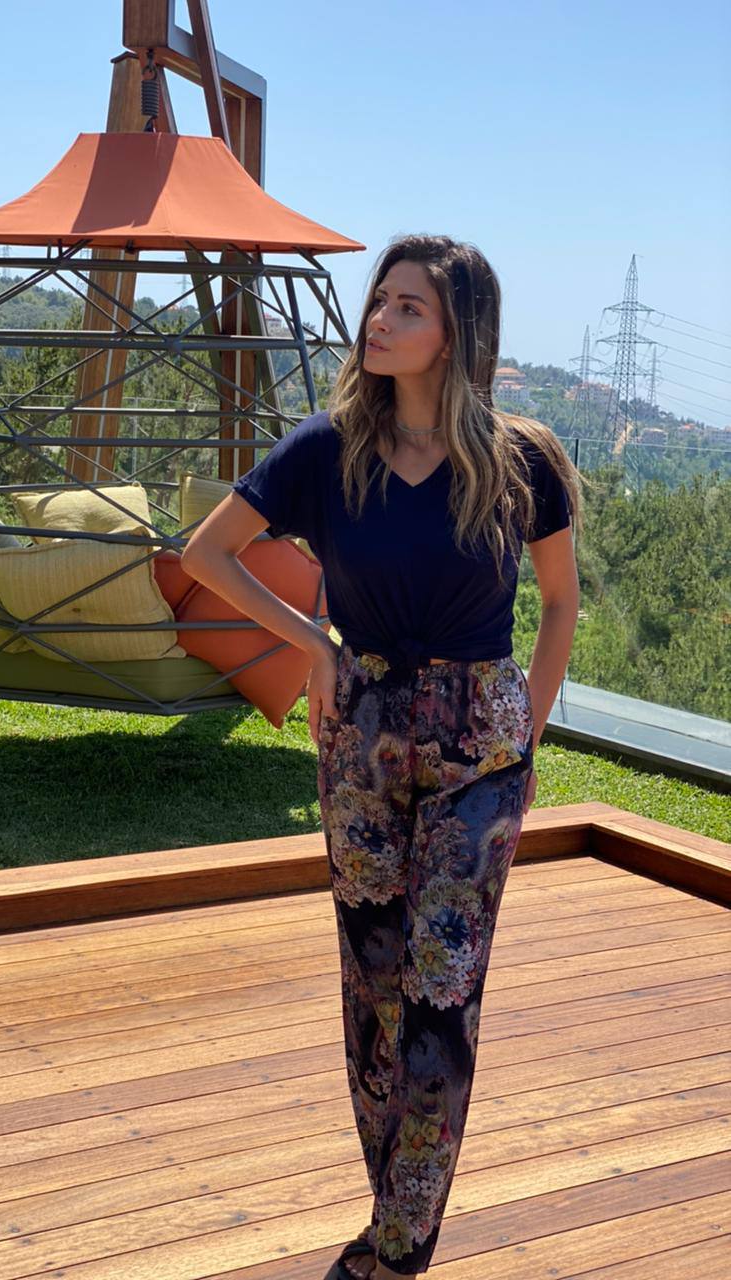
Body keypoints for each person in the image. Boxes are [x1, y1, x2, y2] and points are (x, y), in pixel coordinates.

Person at [180, 234, 583, 1278]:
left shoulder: (520, 457)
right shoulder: (328, 449)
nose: (381, 320)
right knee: (374, 991)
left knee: (440, 990)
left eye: (409, 307)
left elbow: (558, 603)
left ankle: (398, 1248)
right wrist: (312, 640)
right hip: (359, 732)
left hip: (477, 751)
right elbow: (205, 553)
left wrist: (522, 726)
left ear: (458, 333)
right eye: (380, 301)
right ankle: (391, 1205)